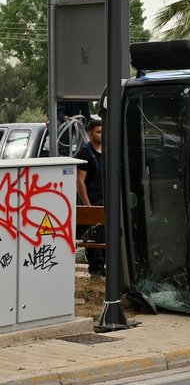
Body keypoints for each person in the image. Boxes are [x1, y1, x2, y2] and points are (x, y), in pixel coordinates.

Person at [76, 117, 105, 278]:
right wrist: (88, 205)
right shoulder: (84, 153)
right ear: (89, 133)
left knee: (106, 236)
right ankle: (95, 270)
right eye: (98, 132)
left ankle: (104, 268)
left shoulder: (107, 151)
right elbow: (80, 181)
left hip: (105, 200)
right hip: (93, 201)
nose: (102, 135)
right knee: (95, 239)